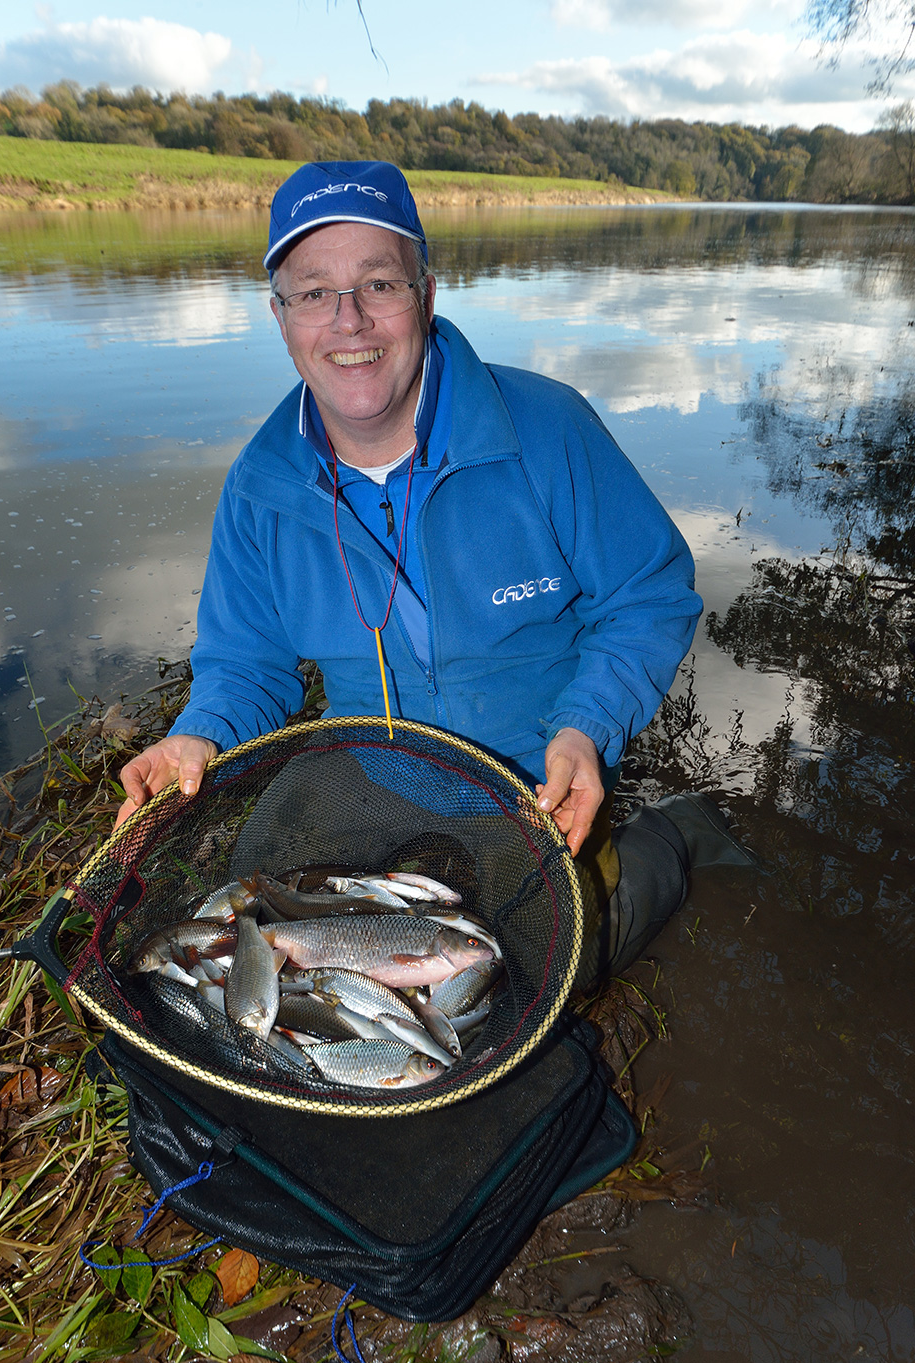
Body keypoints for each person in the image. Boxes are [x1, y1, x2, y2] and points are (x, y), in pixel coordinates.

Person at [116, 160, 705, 900]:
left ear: (425, 296)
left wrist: (586, 727)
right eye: (313, 293)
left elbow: (646, 597)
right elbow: (245, 664)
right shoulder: (260, 489)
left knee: (573, 960)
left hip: (542, 772)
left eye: (380, 284)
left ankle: (672, 843)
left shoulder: (548, 428)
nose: (348, 319)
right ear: (280, 318)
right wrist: (199, 734)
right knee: (285, 922)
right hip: (369, 770)